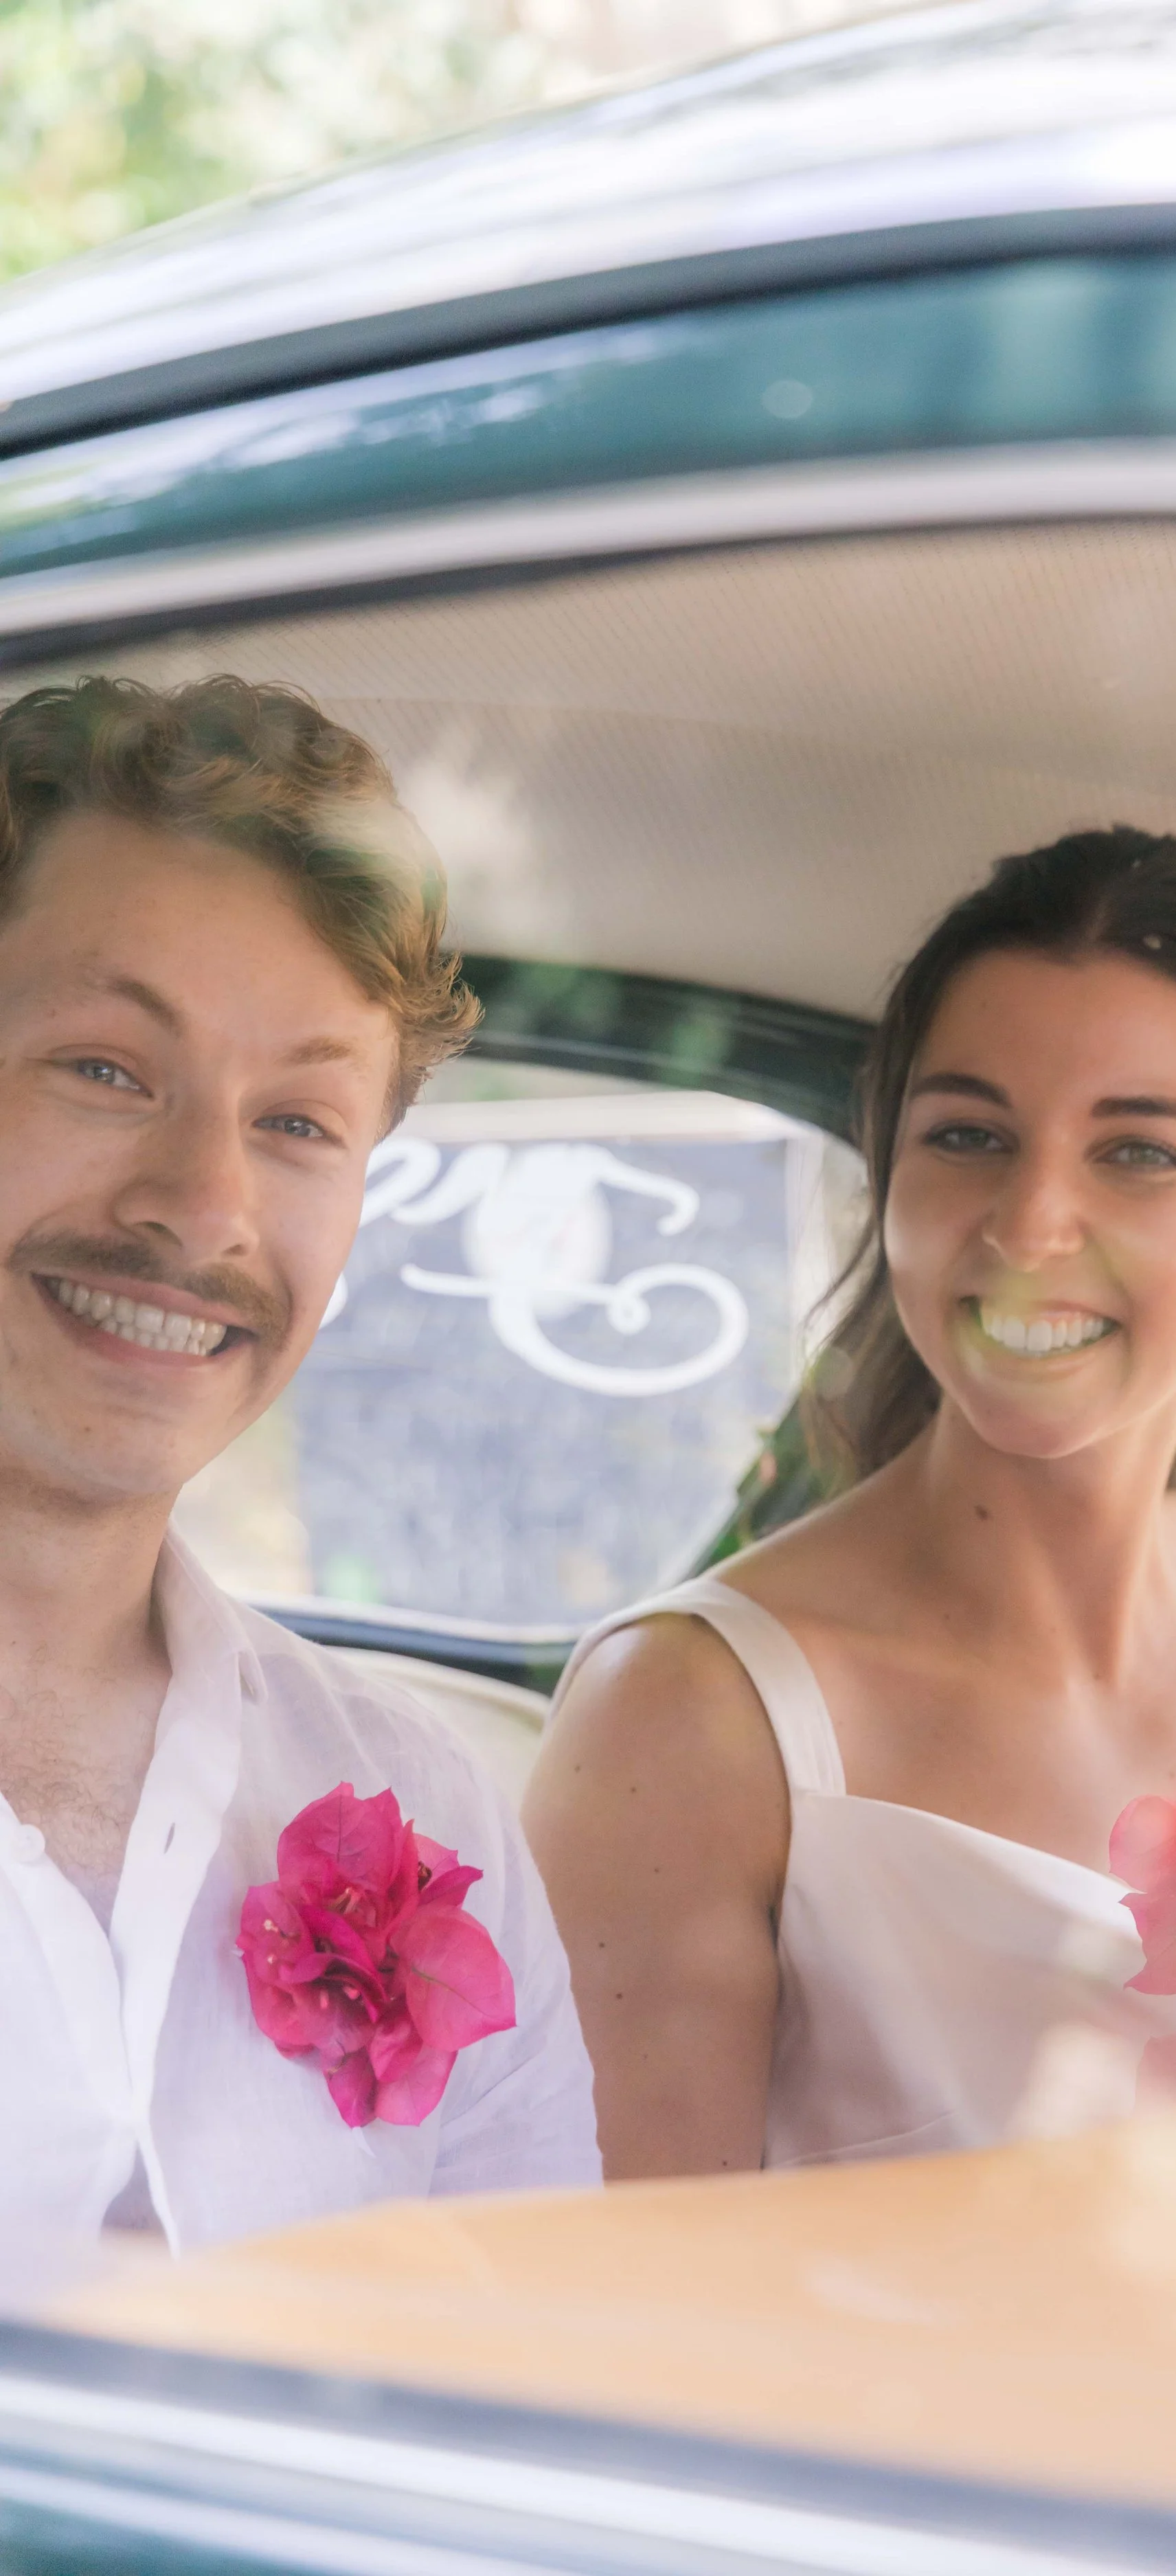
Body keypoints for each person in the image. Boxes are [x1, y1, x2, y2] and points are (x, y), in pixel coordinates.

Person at [524, 828, 1176, 2179]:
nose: (1028, 1227)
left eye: (1136, 1154)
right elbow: (618, 2316)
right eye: (968, 1135)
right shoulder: (689, 1720)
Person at [0, 675, 598, 2268]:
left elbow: (520, 2393)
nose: (203, 1206)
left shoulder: (428, 1799)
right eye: (107, 1071)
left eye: (298, 1124)